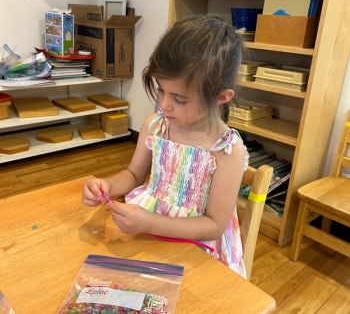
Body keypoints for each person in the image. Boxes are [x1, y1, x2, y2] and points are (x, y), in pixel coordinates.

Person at [82, 15, 249, 278]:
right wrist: (108, 185)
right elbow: (134, 175)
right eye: (161, 90)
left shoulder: (227, 150)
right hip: (143, 229)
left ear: (221, 97)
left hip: (196, 246)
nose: (164, 105)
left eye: (179, 99)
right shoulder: (156, 126)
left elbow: (215, 225)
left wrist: (150, 222)